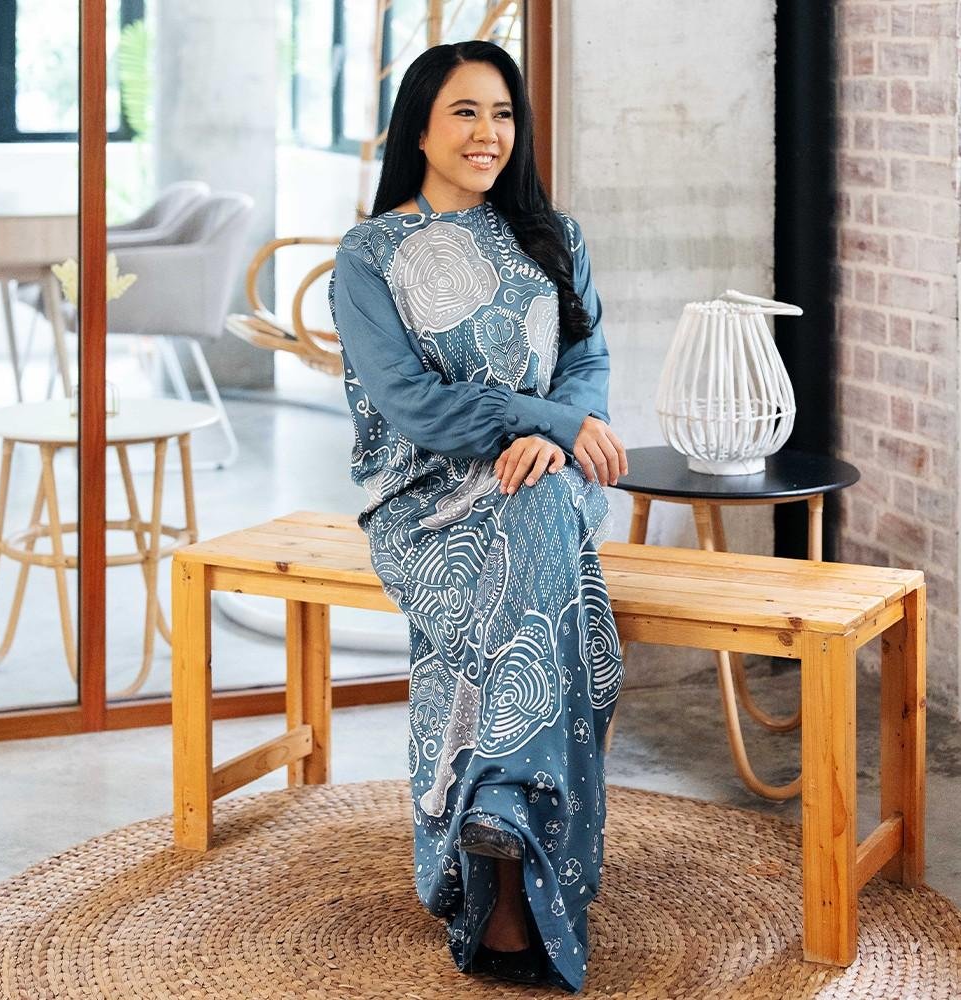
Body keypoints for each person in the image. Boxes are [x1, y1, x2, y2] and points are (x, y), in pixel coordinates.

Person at [328, 39, 627, 994]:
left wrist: (556, 437)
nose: (487, 134)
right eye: (464, 112)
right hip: (422, 497)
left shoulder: (554, 236)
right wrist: (545, 421)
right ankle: (510, 857)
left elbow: (588, 364)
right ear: (419, 124)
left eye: (501, 114)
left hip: (546, 483)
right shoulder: (371, 255)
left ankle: (496, 824)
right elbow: (411, 406)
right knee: (542, 563)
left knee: (537, 510)